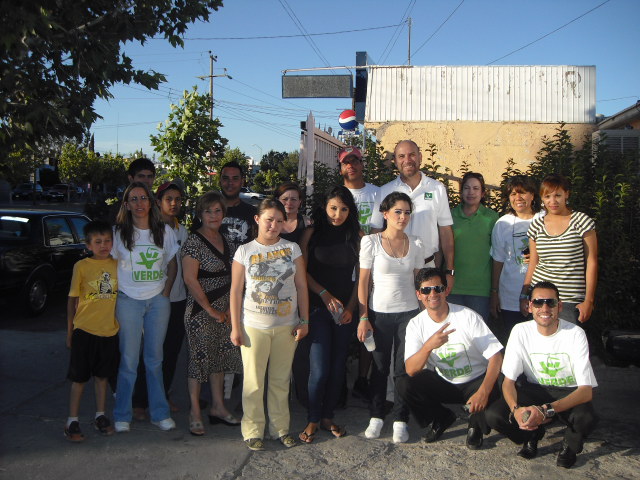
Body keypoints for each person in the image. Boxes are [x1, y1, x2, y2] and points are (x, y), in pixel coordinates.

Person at [485, 281, 598, 469]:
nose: (544, 308)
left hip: (568, 391)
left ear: (559, 306)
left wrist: (546, 410)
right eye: (538, 302)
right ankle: (532, 434)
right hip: (535, 388)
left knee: (586, 417)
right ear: (529, 306)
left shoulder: (575, 333)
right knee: (495, 415)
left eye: (550, 303)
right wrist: (516, 411)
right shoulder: (520, 331)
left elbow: (586, 391)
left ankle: (570, 446)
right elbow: (508, 382)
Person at [229, 199, 310, 451]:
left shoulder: (293, 248)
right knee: (253, 382)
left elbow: (301, 287)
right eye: (268, 219)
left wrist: (304, 320)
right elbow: (235, 292)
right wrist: (235, 327)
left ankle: (280, 429)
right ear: (257, 220)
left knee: (280, 380)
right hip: (254, 326)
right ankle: (253, 430)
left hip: (286, 326)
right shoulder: (244, 251)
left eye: (278, 220)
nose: (273, 225)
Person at [397, 268, 503, 449]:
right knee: (404, 383)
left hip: (475, 380)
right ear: (418, 294)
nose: (432, 294)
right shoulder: (416, 324)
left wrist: (483, 391)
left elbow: (496, 357)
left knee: (492, 391)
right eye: (426, 290)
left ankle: (475, 424)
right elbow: (411, 369)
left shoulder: (467, 316)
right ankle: (441, 417)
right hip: (446, 381)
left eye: (438, 288)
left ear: (446, 290)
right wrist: (429, 346)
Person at [357, 192, 425, 444]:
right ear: (385, 214)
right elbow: (363, 281)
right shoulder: (371, 242)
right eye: (398, 211)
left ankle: (400, 419)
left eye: (407, 212)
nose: (403, 217)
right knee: (380, 367)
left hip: (409, 314)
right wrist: (363, 317)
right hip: (378, 314)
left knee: (402, 370)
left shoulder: (416, 243)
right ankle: (376, 416)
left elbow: (419, 282)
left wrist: (424, 317)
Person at [111, 182, 179, 433]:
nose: (139, 203)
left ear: (150, 202)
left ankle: (159, 413)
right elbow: (108, 265)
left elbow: (172, 264)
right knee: (128, 361)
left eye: (143, 198)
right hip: (128, 300)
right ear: (126, 205)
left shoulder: (164, 231)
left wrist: (166, 292)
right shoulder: (118, 233)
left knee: (154, 360)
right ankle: (122, 414)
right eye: (133, 199)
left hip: (157, 301)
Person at [298, 186, 361, 443]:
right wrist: (323, 293)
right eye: (334, 208)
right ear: (325, 206)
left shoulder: (356, 234)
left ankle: (327, 417)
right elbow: (300, 270)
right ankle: (312, 419)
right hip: (316, 308)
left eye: (344, 209)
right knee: (320, 369)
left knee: (337, 370)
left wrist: (351, 307)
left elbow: (363, 276)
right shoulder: (312, 233)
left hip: (345, 312)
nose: (338, 214)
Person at [182, 192, 242, 436]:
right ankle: (195, 411)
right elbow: (189, 279)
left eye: (218, 211)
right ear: (200, 214)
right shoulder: (193, 242)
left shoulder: (228, 241)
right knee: (199, 361)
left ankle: (218, 407)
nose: (214, 216)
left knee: (220, 358)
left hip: (226, 310)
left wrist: (227, 310)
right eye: (208, 211)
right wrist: (210, 310)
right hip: (201, 311)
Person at [132, 181, 188, 418]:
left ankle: (162, 396)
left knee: (171, 352)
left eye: (177, 199)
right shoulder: (147, 230)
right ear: (158, 202)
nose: (173, 204)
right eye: (168, 199)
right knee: (150, 352)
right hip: (152, 299)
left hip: (178, 300)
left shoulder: (182, 231)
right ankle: (139, 401)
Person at [370, 140, 455, 291]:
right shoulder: (384, 191)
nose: (407, 160)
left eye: (412, 155)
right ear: (395, 161)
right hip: (394, 270)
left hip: (428, 267)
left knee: (427, 314)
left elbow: (446, 233)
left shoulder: (437, 189)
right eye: (401, 156)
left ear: (420, 157)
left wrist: (449, 271)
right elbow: (375, 233)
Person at [64, 220, 119, 441]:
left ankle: (100, 415)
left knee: (102, 378)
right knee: (79, 379)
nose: (103, 245)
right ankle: (72, 421)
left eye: (107, 241)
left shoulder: (118, 264)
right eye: (98, 242)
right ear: (88, 245)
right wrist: (70, 331)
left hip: (109, 332)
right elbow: (72, 300)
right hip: (84, 331)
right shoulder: (82, 267)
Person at [519, 174, 598, 324]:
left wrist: (589, 300)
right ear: (541, 198)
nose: (552, 201)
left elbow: (592, 261)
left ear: (567, 194)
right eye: (547, 196)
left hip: (570, 301)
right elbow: (533, 262)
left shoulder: (581, 221)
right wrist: (524, 295)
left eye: (558, 195)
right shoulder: (536, 226)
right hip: (539, 299)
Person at [339, 145, 380, 399]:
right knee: (343, 327)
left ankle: (363, 379)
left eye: (355, 161)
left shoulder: (377, 193)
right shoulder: (337, 195)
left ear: (362, 164)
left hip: (371, 271)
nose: (351, 166)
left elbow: (378, 231)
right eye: (346, 162)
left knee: (369, 327)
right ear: (341, 166)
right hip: (343, 271)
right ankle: (340, 380)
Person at [490, 175, 541, 337]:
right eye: (513, 194)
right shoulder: (502, 224)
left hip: (540, 294)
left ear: (532, 195)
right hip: (510, 296)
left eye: (523, 192)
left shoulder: (544, 219)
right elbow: (498, 260)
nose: (518, 198)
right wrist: (494, 293)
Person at [447, 172, 498, 322]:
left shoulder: (492, 218)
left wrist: (495, 290)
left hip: (480, 290)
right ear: (461, 192)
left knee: (478, 338)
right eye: (467, 188)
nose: (471, 192)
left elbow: (498, 255)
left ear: (483, 193)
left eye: (476, 188)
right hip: (453, 287)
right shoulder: (450, 216)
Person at [219, 161, 257, 247]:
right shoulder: (207, 213)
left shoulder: (253, 213)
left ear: (242, 182)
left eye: (235, 178)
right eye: (226, 178)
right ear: (220, 181)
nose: (230, 183)